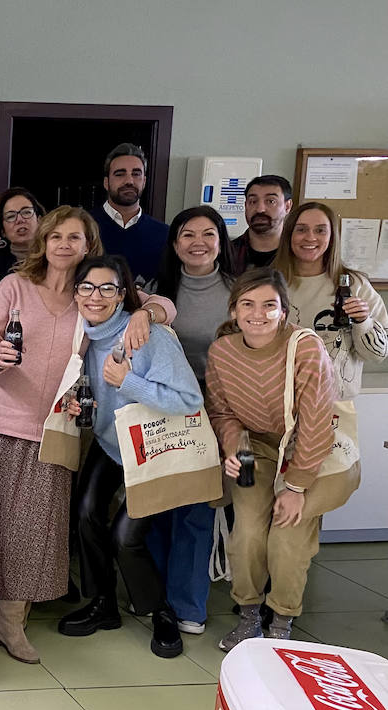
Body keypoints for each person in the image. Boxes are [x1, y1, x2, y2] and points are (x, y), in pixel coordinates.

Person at [0, 206, 176, 664]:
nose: (64, 244)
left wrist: (146, 314)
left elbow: (167, 305)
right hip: (1, 419)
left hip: (56, 427)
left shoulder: (94, 295)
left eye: (75, 237)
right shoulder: (15, 286)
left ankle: (11, 620)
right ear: (43, 242)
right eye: (56, 236)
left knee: (34, 528)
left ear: (89, 245)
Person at [55, 255, 203, 658]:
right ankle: (103, 603)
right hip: (110, 442)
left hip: (152, 450)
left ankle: (160, 611)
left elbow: (190, 399)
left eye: (107, 288)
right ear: (76, 293)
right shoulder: (83, 336)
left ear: (123, 295)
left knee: (125, 535)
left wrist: (129, 382)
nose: (96, 296)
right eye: (87, 287)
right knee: (86, 513)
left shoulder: (146, 336)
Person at [205, 268, 335, 650]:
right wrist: (234, 448)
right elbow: (222, 412)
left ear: (284, 311)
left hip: (306, 448)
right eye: (247, 304)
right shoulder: (222, 353)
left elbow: (316, 421)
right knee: (247, 535)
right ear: (233, 310)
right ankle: (249, 617)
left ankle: (281, 622)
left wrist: (295, 486)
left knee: (287, 536)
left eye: (269, 305)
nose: (257, 314)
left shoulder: (305, 348)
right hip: (257, 449)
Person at [141, 205, 236, 635]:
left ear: (221, 241)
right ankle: (155, 597)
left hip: (216, 409)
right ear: (174, 244)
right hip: (161, 406)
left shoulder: (239, 291)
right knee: (159, 503)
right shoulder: (157, 292)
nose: (198, 243)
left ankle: (188, 605)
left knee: (196, 510)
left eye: (208, 234)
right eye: (187, 235)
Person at [273, 201, 388, 400]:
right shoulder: (268, 283)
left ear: (332, 237)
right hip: (277, 400)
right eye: (301, 229)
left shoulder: (355, 285)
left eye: (320, 230)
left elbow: (377, 355)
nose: (310, 237)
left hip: (334, 404)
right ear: (289, 234)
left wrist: (363, 322)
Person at [89, 143, 168, 283]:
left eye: (136, 174)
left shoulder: (164, 234)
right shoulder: (84, 227)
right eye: (120, 174)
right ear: (106, 182)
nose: (129, 181)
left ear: (144, 181)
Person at [230, 175, 293, 274]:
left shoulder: (298, 252)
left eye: (271, 201)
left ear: (287, 206)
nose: (260, 209)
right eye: (253, 201)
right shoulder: (227, 253)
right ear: (245, 205)